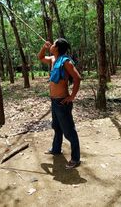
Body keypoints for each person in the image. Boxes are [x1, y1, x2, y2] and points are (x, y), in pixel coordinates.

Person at [38, 38, 81, 169]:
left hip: (62, 102)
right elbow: (40, 57)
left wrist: (72, 97)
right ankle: (56, 149)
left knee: (69, 131)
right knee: (56, 127)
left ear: (57, 48)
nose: (52, 44)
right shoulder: (52, 59)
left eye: (54, 44)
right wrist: (44, 47)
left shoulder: (65, 61)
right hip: (54, 101)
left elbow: (77, 78)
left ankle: (75, 158)